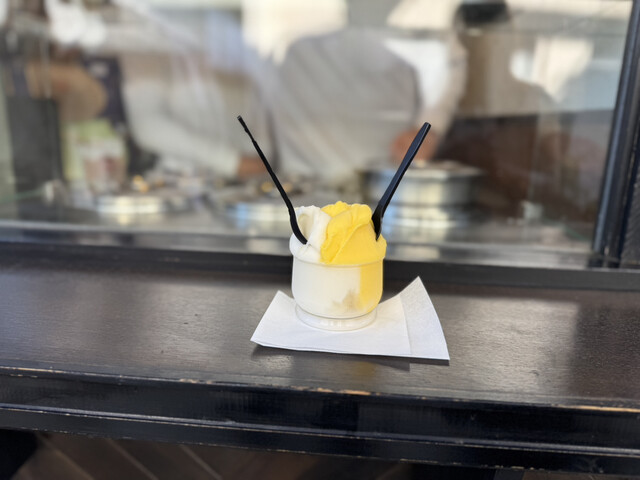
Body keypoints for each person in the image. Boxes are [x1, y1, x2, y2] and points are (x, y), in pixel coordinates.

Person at [265, 0, 467, 185]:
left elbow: (448, 61)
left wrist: (429, 128)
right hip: (305, 181)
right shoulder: (293, 32)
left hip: (384, 179)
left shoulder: (423, 23)